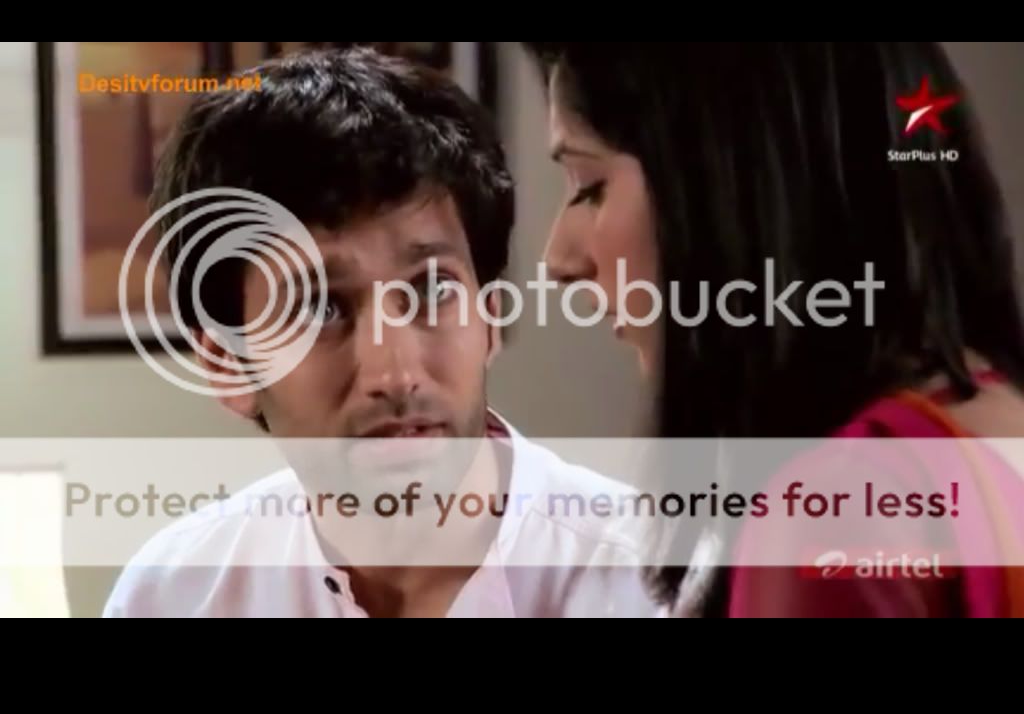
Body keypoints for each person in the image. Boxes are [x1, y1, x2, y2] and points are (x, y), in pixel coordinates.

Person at [103, 47, 658, 618]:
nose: (395, 374)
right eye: (320, 308)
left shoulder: (650, 584)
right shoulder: (173, 595)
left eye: (432, 289)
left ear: (489, 319)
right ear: (228, 364)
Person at [524, 41, 1024, 617]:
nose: (558, 259)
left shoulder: (836, 512)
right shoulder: (990, 420)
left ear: (732, 184)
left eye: (590, 186)